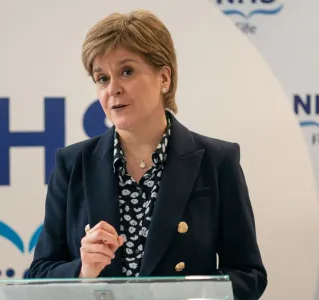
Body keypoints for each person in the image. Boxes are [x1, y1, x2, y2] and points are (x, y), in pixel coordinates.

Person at [28, 9, 267, 299]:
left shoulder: (217, 161)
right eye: (102, 78)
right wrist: (84, 270)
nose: (113, 89)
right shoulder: (72, 164)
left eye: (127, 71)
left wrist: (192, 294)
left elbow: (248, 274)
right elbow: (39, 274)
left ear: (164, 77)